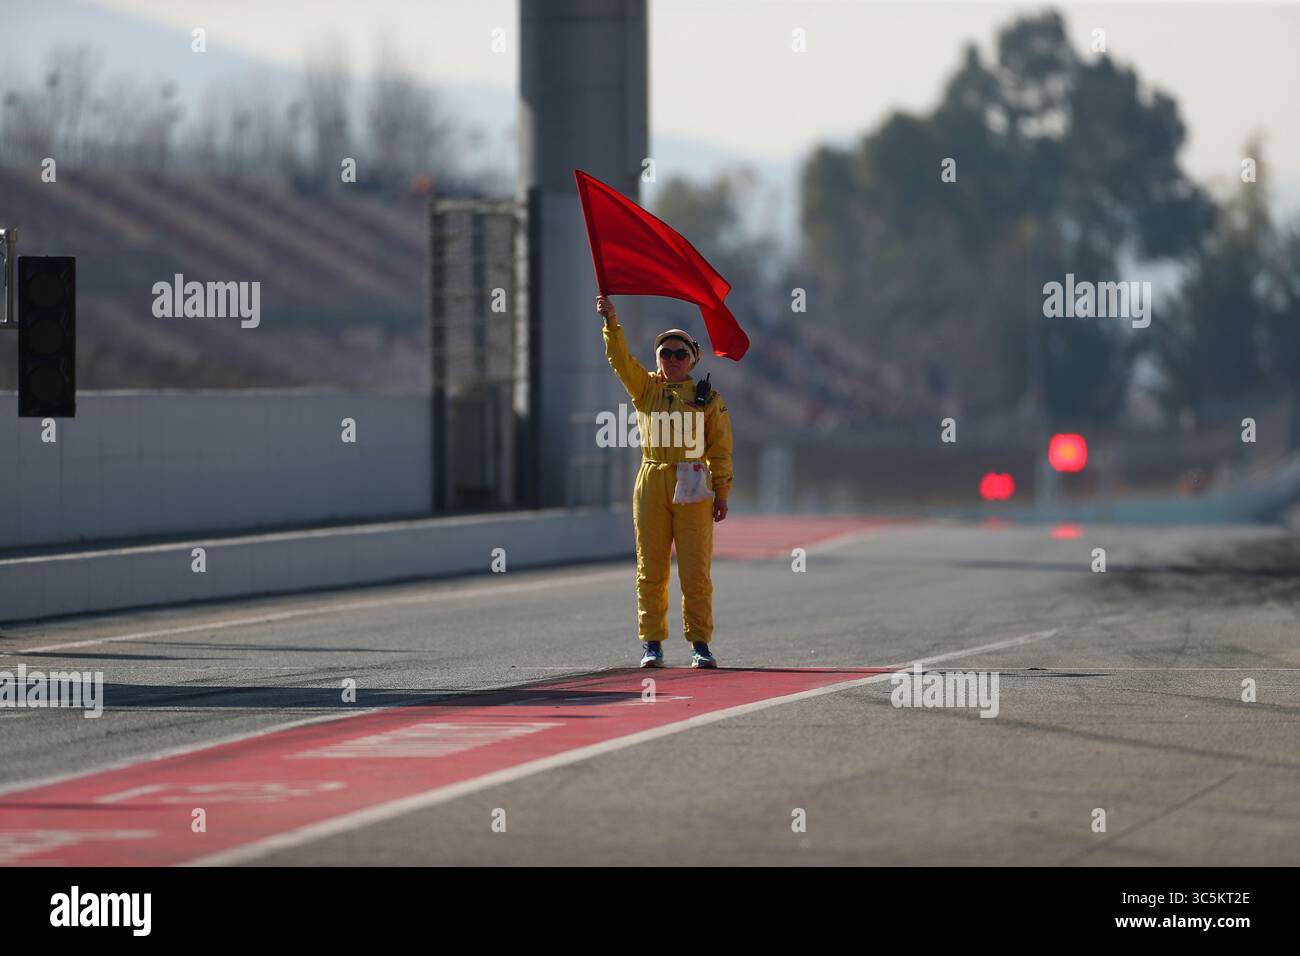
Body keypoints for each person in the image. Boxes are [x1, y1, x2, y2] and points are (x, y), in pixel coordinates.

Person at [597, 294, 733, 669]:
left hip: (692, 482)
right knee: (650, 569)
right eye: (665, 354)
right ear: (657, 359)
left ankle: (700, 644)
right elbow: (620, 362)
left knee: (695, 571)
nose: (672, 360)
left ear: (692, 358)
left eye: (679, 354)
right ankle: (652, 644)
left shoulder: (708, 400)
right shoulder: (646, 390)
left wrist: (721, 491)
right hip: (652, 478)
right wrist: (611, 324)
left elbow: (720, 450)